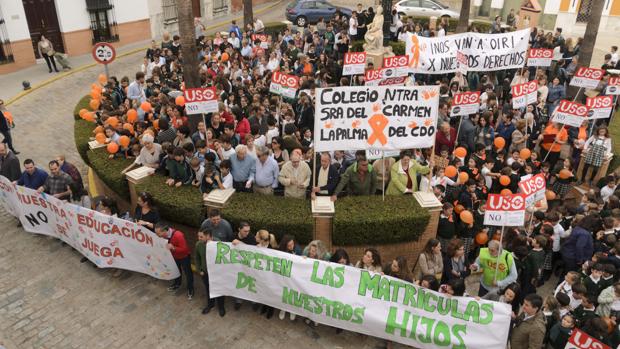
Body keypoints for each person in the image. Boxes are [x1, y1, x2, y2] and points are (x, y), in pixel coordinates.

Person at [155, 222, 193, 299]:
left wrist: (173, 248)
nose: (157, 235)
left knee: (188, 273)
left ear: (165, 231)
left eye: (158, 233)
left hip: (184, 257)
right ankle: (177, 284)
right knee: (176, 270)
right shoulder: (163, 236)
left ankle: (190, 289)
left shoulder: (178, 235)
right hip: (174, 257)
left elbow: (185, 250)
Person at [195, 229, 225, 316]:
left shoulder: (218, 244)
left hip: (217, 274)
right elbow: (197, 258)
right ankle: (210, 304)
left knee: (219, 290)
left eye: (201, 236)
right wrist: (199, 270)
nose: (199, 238)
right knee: (208, 289)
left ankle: (221, 307)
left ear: (208, 236)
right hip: (205, 273)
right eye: (198, 236)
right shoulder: (198, 245)